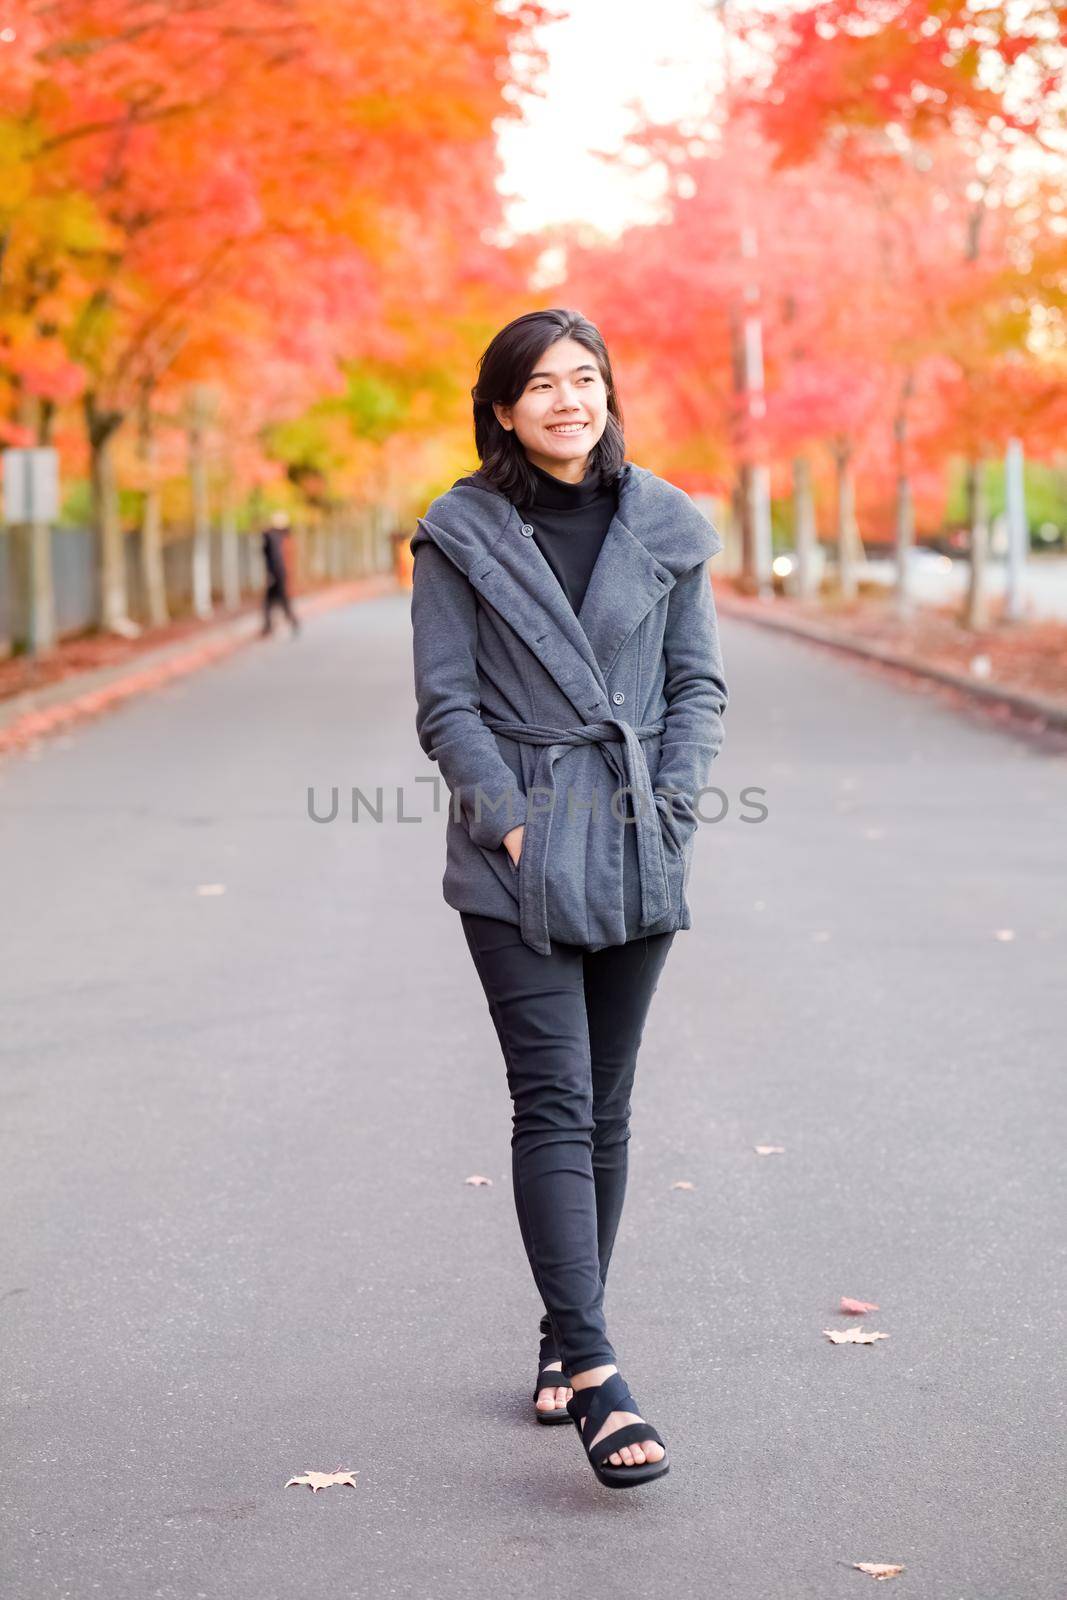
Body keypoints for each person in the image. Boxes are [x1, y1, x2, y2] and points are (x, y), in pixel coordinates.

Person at [409, 307, 728, 1489]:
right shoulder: (460, 534)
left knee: (606, 1106)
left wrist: (676, 801)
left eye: (582, 379)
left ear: (605, 395)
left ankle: (558, 1327)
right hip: (516, 853)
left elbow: (697, 684)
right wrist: (511, 820)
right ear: (501, 408)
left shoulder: (665, 524)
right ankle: (595, 1369)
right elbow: (446, 703)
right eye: (537, 385)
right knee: (551, 1100)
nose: (564, 400)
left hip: (637, 839)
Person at [260, 510, 300, 636]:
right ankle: (288, 622)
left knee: (274, 601)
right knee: (279, 601)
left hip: (277, 573)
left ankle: (272, 626)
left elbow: (275, 557)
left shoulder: (273, 536)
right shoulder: (285, 535)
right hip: (282, 573)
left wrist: (272, 574)